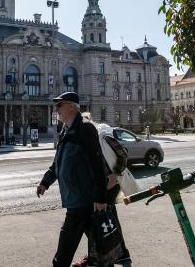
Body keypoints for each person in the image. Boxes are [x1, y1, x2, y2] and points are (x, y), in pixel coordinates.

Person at [37, 92, 108, 267]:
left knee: (64, 252)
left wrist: (101, 196)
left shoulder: (85, 129)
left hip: (83, 200)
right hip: (78, 199)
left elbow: (97, 163)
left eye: (59, 105)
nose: (56, 109)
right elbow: (58, 162)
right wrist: (45, 182)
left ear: (71, 107)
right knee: (100, 246)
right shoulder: (66, 130)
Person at [73, 113, 133, 267]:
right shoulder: (87, 139)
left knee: (99, 218)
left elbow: (123, 153)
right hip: (100, 184)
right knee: (108, 219)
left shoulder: (102, 137)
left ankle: (100, 257)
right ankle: (119, 254)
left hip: (110, 184)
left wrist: (115, 173)